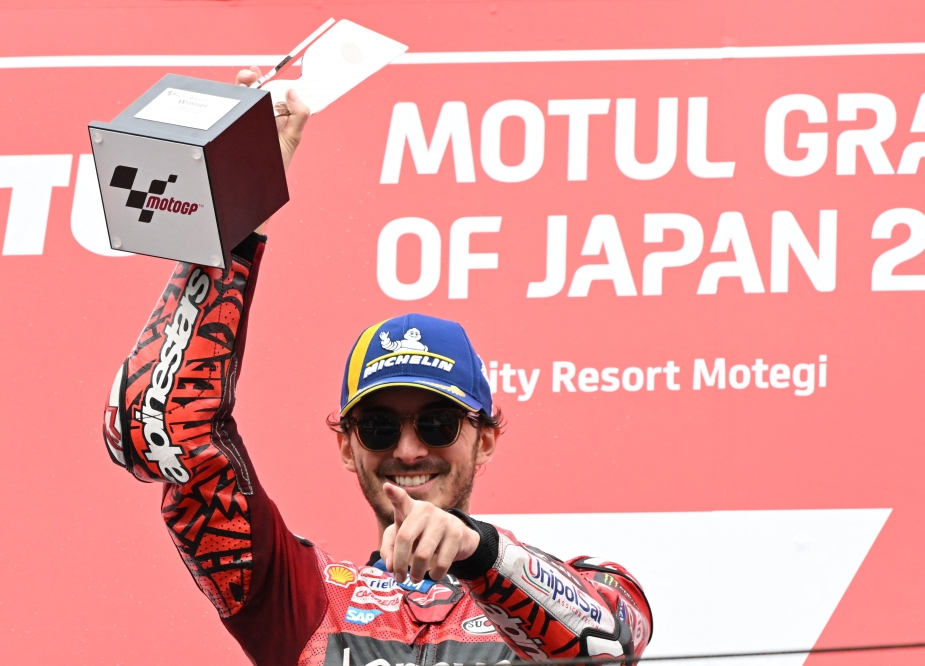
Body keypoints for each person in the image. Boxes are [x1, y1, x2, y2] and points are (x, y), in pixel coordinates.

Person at [101, 68, 652, 666]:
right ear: (346, 446)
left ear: (485, 438)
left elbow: (613, 640)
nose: (409, 450)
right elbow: (164, 433)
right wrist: (237, 205)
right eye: (380, 428)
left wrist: (478, 554)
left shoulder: (575, 592)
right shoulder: (303, 601)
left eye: (439, 423)